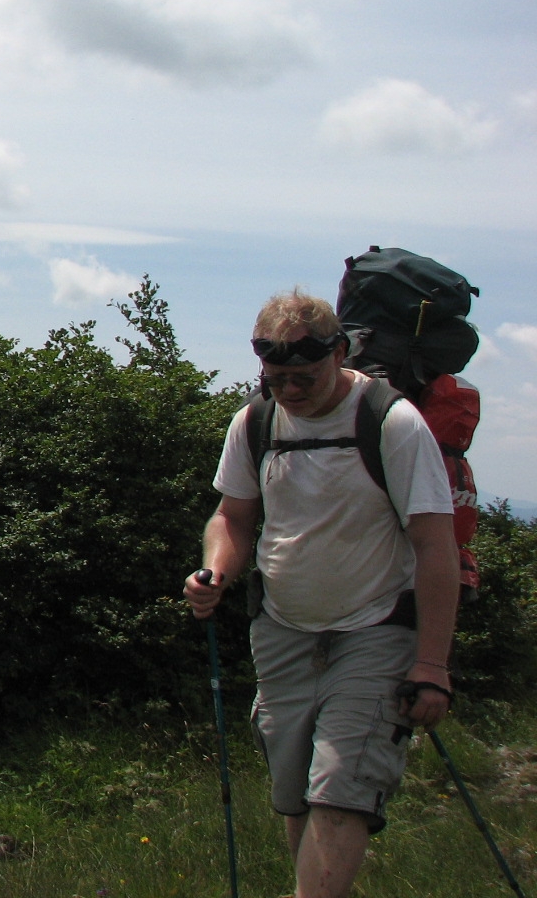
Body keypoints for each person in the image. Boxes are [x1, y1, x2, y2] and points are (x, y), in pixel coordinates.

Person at [183, 289, 458, 898]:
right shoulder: (255, 421)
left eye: (303, 377)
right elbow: (232, 517)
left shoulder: (390, 422)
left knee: (341, 788)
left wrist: (432, 664)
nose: (289, 391)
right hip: (282, 629)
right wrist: (216, 572)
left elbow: (435, 545)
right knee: (296, 794)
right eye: (275, 378)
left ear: (340, 354)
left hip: (376, 629)